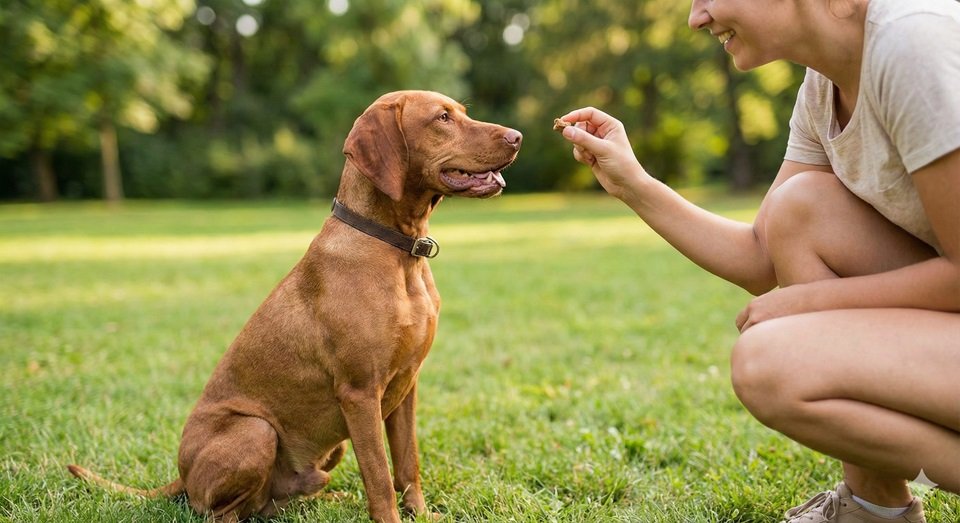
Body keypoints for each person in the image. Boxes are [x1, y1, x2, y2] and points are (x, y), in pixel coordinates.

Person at [557, 0, 960, 521]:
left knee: (770, 364)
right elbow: (760, 256)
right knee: (800, 211)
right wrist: (633, 183)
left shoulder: (913, 43)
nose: (696, 17)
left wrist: (806, 302)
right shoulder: (823, 86)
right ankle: (873, 508)